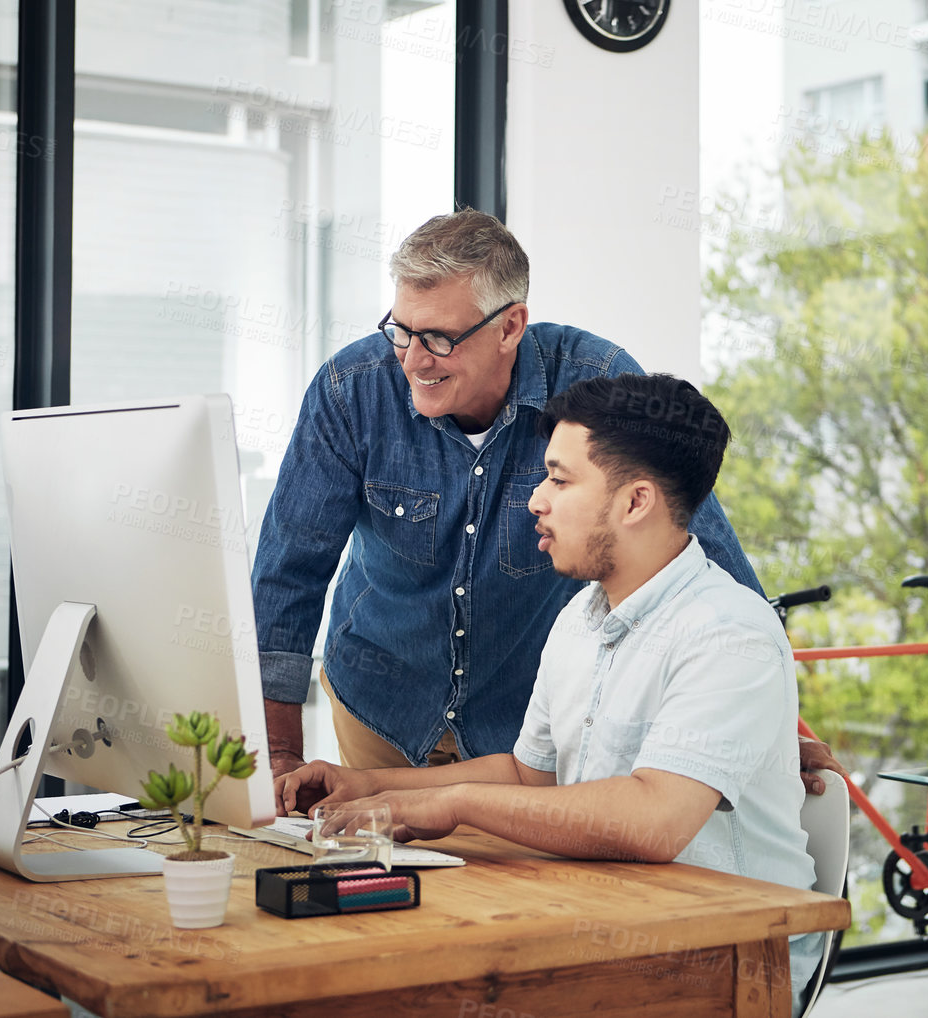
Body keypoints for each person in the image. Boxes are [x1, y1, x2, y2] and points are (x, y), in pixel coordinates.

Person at [278, 373, 826, 1009]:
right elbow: (527, 773)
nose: (535, 500)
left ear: (635, 502)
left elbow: (654, 821)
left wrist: (454, 803)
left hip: (723, 958)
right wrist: (372, 787)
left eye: (559, 480)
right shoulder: (581, 617)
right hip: (608, 925)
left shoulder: (730, 632)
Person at [252, 210, 842, 790]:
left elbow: (694, 545)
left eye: (437, 338)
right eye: (401, 331)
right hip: (381, 702)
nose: (412, 359)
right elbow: (289, 572)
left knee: (521, 883)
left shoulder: (594, 387)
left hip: (525, 730)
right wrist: (278, 757)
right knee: (383, 874)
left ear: (510, 326)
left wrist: (762, 725)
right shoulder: (350, 390)